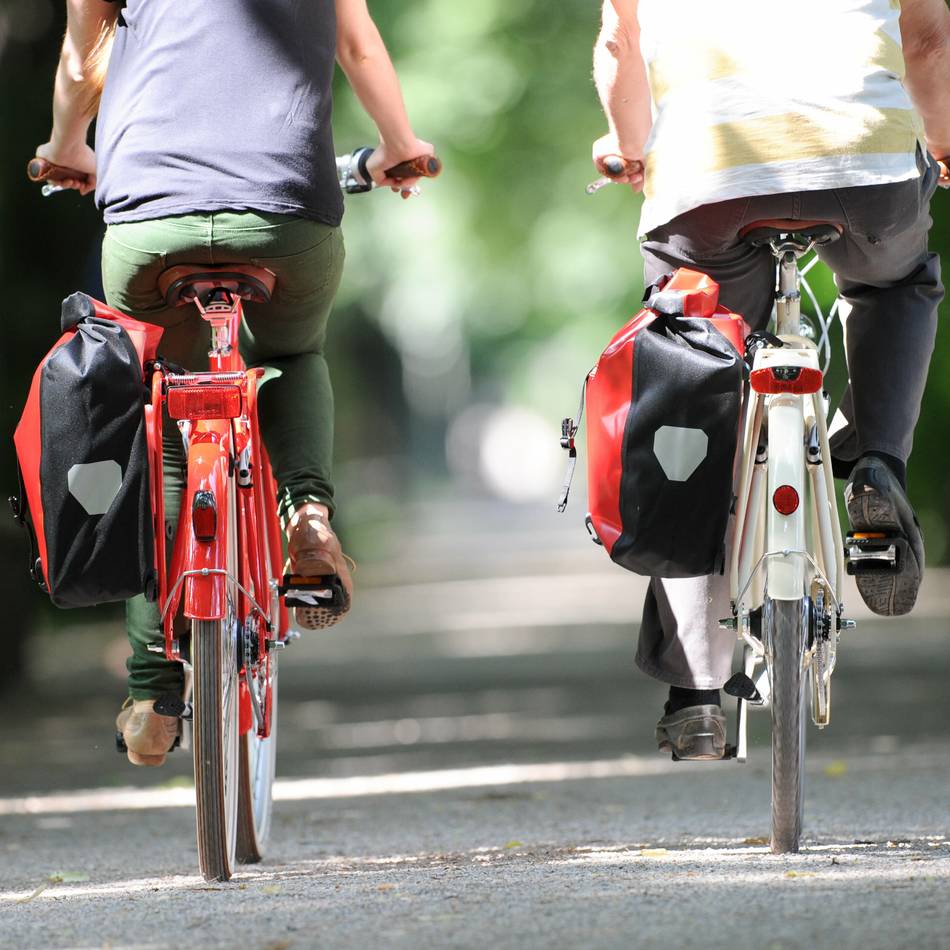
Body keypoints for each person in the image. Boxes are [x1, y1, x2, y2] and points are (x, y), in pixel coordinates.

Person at [35, 0, 434, 766]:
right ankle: (308, 517)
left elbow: (85, 57)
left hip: (152, 221)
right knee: (296, 353)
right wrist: (399, 145)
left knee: (160, 401)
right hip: (286, 211)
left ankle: (153, 691)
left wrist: (66, 145)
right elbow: (357, 45)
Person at [591, 0, 949, 759]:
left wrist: (629, 148)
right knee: (894, 285)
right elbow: (926, 38)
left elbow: (622, 43)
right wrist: (941, 140)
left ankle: (695, 691)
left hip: (709, 177)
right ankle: (878, 462)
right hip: (867, 165)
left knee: (694, 376)